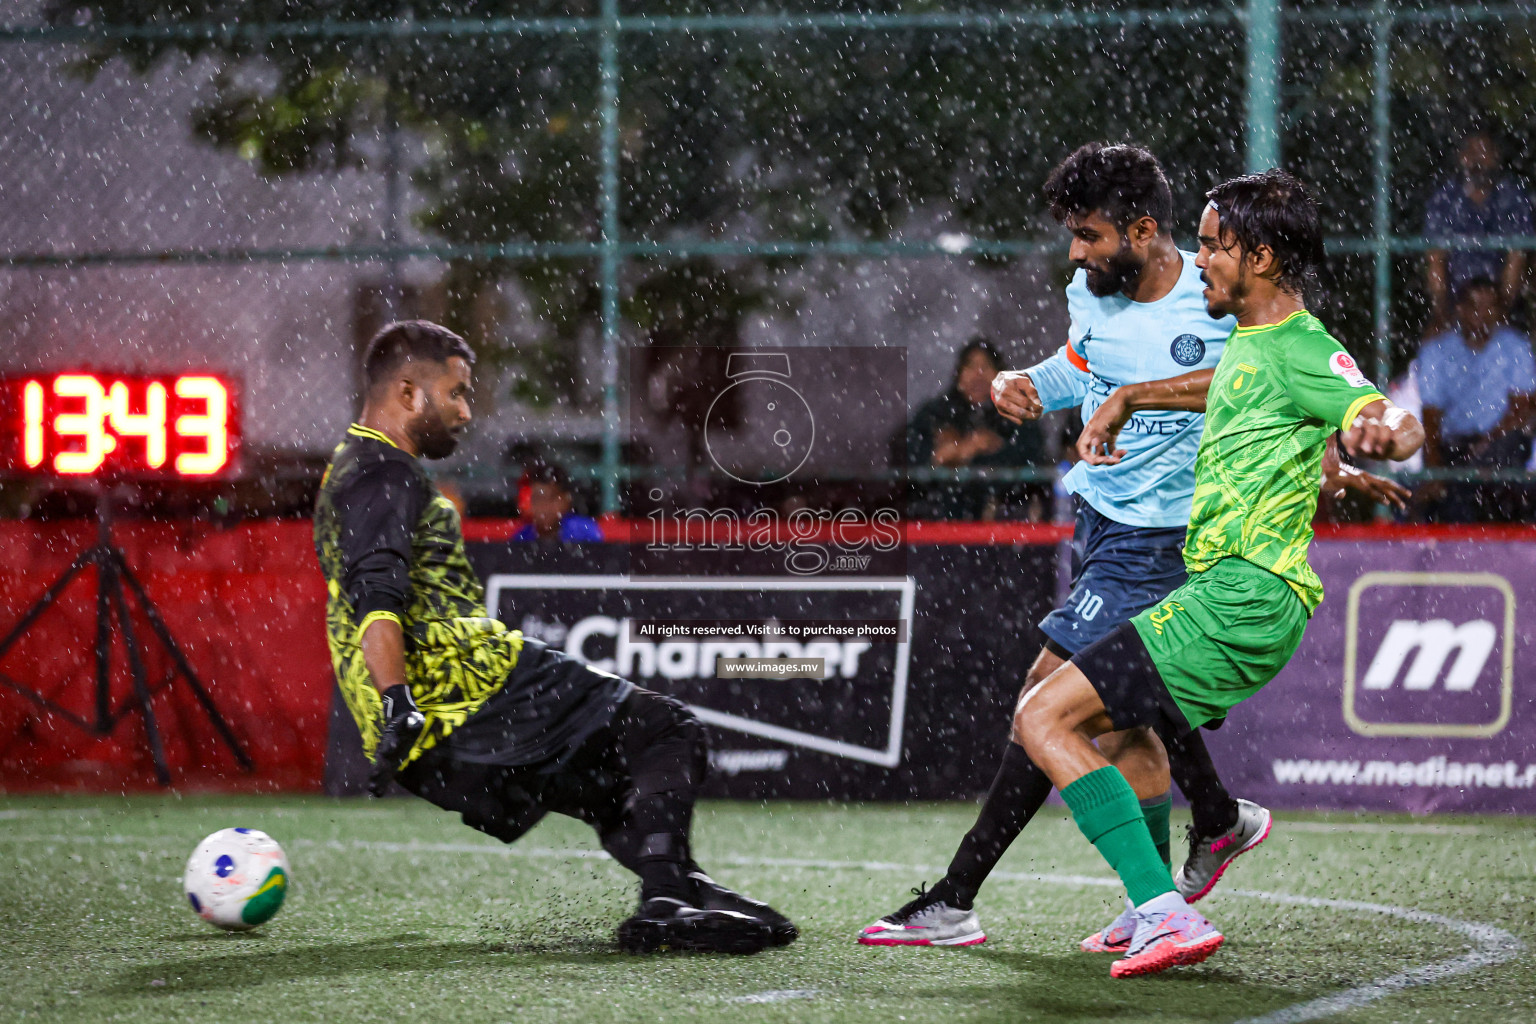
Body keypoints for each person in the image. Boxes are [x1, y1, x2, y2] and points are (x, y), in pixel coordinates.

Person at [1014, 171, 1422, 978]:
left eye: (1210, 245)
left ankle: (1166, 912)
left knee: (1041, 718)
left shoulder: (1303, 345)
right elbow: (1240, 406)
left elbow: (1373, 408)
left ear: (1262, 257)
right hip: (1223, 596)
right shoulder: (1251, 345)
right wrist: (1332, 471)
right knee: (1123, 732)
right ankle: (1164, 888)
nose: (1195, 259)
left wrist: (1385, 433)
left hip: (1242, 599)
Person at [862, 143, 1254, 952]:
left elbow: (1257, 379)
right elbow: (1086, 364)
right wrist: (1032, 384)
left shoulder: (1212, 299)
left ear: (1143, 231)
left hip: (1160, 542)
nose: (1076, 254)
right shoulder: (1093, 290)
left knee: (1045, 702)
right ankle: (1193, 846)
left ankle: (962, 897)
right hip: (1099, 526)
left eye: (1091, 236)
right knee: (1122, 728)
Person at [312, 320, 795, 954]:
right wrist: (400, 700)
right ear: (408, 394)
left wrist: (393, 718)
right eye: (456, 393)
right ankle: (667, 899)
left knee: (608, 788)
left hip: (426, 734)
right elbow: (378, 595)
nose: (465, 411)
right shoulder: (384, 473)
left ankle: (683, 886)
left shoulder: (349, 468)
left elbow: (359, 599)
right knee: (668, 729)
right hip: (464, 688)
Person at [1417, 276, 1536, 522]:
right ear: (1460, 309)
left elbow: (1522, 409)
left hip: (1502, 444)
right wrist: (1435, 466)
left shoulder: (1516, 346)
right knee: (1445, 487)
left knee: (1501, 459)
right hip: (1455, 447)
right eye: (1475, 305)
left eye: (1491, 306)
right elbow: (1430, 417)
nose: (1483, 313)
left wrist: (1483, 447)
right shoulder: (1437, 351)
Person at [905, 337, 1044, 519]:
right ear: (959, 374)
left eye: (985, 367)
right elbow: (911, 456)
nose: (978, 375)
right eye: (970, 366)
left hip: (1003, 520)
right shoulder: (936, 412)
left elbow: (1032, 458)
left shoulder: (1017, 413)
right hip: (936, 521)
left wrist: (973, 454)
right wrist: (953, 452)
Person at [1424, 128, 1534, 335]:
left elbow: (1516, 260)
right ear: (1461, 157)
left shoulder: (1512, 197)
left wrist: (1498, 312)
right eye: (1471, 152)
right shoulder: (1445, 198)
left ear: (1496, 157)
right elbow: (1435, 260)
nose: (1478, 160)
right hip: (1456, 304)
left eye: (1484, 152)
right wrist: (1442, 311)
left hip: (1504, 304)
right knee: (1434, 341)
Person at [512, 459, 605, 542]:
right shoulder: (522, 538)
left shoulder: (584, 532)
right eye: (537, 499)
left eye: (551, 499)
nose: (544, 506)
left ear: (566, 500)